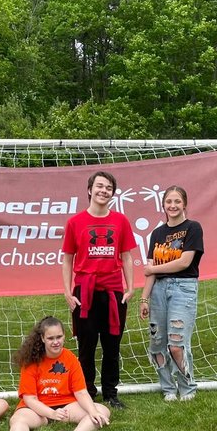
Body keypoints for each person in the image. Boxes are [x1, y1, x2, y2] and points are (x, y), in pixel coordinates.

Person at [61, 171, 138, 409]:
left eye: (109, 188)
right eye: (100, 186)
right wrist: (68, 292)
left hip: (113, 292)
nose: (104, 191)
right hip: (85, 291)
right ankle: (87, 393)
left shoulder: (120, 221)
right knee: (86, 346)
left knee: (112, 345)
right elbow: (67, 259)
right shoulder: (75, 222)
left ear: (113, 193)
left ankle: (110, 393)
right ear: (90, 190)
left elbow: (126, 256)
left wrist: (130, 287)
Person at [0, 317, 111, 431]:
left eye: (59, 337)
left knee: (101, 411)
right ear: (42, 338)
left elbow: (81, 392)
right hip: (37, 410)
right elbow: (30, 399)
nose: (56, 342)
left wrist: (92, 411)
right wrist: (51, 413)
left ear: (64, 336)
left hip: (66, 408)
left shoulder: (70, 358)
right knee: (18, 419)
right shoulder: (31, 360)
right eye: (50, 338)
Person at [139, 186, 204, 401]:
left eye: (177, 201)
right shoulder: (157, 233)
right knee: (157, 343)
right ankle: (168, 388)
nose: (173, 205)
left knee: (176, 343)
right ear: (163, 205)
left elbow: (184, 262)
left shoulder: (193, 228)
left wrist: (154, 268)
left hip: (183, 288)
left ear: (185, 204)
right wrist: (144, 298)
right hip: (158, 290)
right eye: (169, 201)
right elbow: (150, 272)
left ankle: (187, 388)